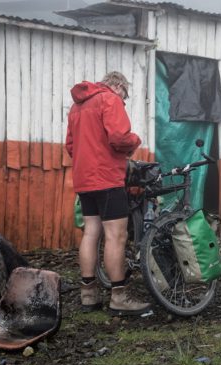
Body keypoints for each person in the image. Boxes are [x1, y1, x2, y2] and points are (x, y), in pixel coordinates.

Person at [65, 71, 151, 316]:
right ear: (118, 85)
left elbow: (70, 145)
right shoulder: (109, 99)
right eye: (125, 94)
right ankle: (119, 297)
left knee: (91, 232)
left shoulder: (76, 107)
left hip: (84, 179)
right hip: (107, 177)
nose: (123, 100)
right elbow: (119, 137)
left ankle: (88, 294)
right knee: (116, 236)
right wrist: (135, 140)